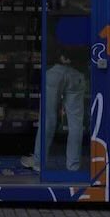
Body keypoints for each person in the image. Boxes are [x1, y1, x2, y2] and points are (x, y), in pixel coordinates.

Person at [21, 45, 87, 173]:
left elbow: (50, 42)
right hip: (77, 72)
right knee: (76, 123)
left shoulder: (57, 33)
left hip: (55, 70)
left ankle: (39, 162)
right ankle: (73, 165)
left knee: (47, 118)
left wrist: (59, 56)